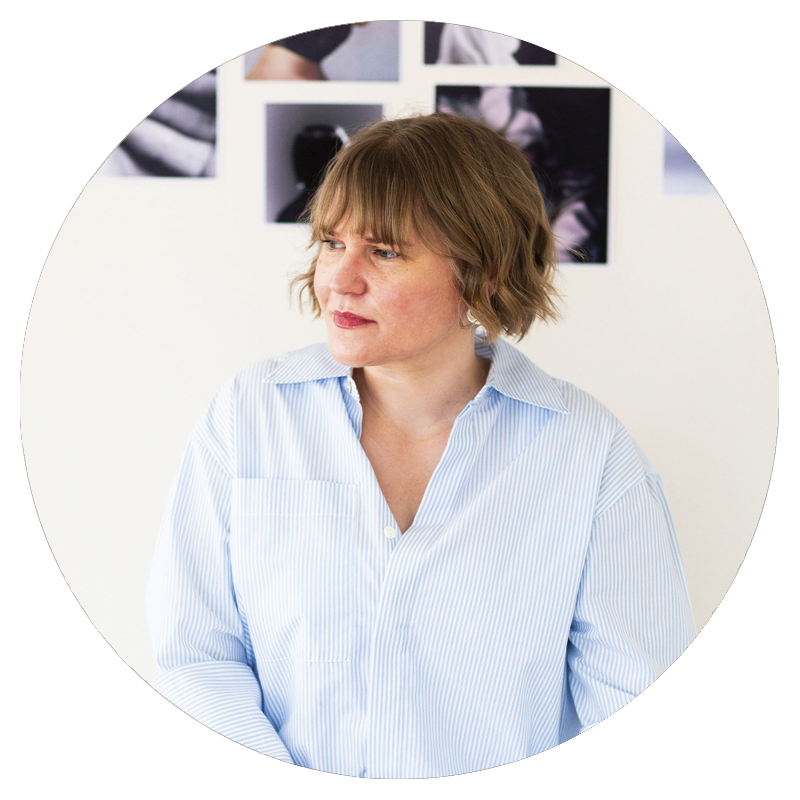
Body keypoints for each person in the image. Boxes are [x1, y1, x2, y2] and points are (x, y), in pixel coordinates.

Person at [146, 112, 695, 778]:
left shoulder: (590, 454)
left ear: (483, 272)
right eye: (331, 242)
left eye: (384, 252)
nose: (339, 279)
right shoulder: (248, 417)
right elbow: (198, 659)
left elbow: (634, 710)